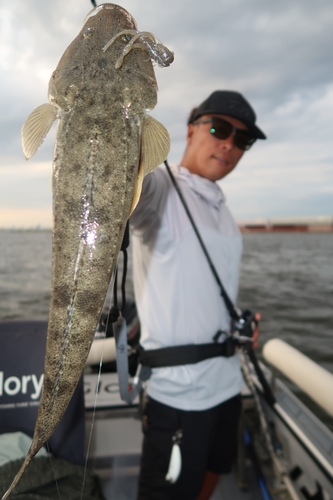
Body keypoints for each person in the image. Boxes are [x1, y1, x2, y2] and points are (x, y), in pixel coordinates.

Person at [130, 90, 266, 500]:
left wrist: (241, 322)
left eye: (242, 139)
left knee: (214, 471)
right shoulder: (159, 188)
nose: (229, 143)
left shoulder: (223, 209)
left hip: (228, 387)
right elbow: (128, 182)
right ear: (191, 130)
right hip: (179, 396)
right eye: (220, 128)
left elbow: (210, 287)